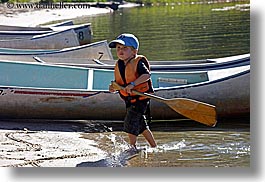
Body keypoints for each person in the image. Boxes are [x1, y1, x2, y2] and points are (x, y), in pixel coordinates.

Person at [108, 33, 157, 149]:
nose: (121, 51)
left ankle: (132, 147)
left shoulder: (138, 62)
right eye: (118, 48)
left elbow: (146, 75)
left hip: (140, 99)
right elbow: (119, 83)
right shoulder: (120, 64)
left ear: (134, 51)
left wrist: (133, 84)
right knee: (141, 125)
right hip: (129, 99)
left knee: (130, 122)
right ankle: (154, 146)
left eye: (125, 48)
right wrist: (114, 88)